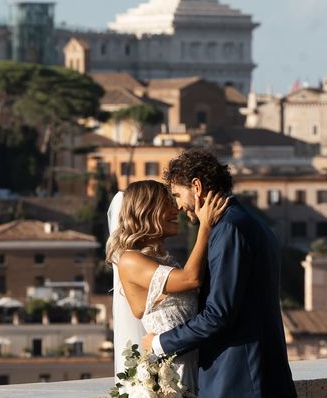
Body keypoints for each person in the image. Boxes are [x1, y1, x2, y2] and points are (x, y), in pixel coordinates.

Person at [143, 148, 296, 398]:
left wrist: (160, 343)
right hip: (258, 375)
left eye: (178, 195)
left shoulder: (229, 230)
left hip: (240, 381)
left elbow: (218, 314)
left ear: (197, 186)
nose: (179, 207)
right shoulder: (250, 222)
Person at [107, 179, 228, 394]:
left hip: (195, 368)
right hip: (174, 373)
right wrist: (205, 228)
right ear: (147, 210)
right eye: (168, 204)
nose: (177, 210)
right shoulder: (130, 260)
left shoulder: (165, 259)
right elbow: (191, 279)